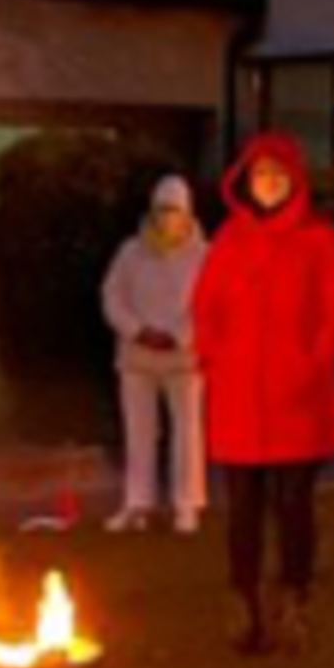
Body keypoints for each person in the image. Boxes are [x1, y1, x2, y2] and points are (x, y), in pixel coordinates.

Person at [192, 132, 334, 657]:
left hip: (299, 398)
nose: (269, 184)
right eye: (261, 175)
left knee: (294, 506)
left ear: (295, 182)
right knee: (242, 506)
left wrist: (310, 364)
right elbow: (206, 308)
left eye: (279, 176)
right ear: (246, 181)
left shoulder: (320, 240)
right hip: (240, 396)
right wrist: (214, 358)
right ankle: (244, 601)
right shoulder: (229, 241)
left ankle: (293, 598)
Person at [100, 173, 209, 536]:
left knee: (187, 433)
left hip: (184, 359)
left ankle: (187, 503)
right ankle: (138, 502)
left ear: (188, 213)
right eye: (162, 210)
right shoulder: (131, 251)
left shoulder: (202, 255)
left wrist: (179, 337)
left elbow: (209, 305)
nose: (167, 218)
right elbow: (112, 297)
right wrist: (138, 331)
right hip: (136, 358)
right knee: (139, 433)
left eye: (175, 210)